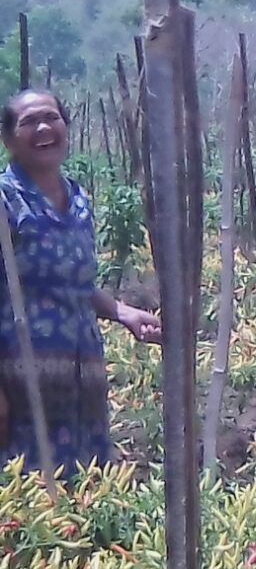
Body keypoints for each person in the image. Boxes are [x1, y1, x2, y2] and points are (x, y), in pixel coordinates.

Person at [0, 90, 161, 476]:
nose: (43, 128)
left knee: (87, 492)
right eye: (28, 121)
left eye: (52, 118)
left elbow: (74, 283)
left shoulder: (78, 199)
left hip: (81, 382)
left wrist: (122, 311)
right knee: (27, 505)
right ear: (8, 139)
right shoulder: (5, 200)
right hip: (20, 390)